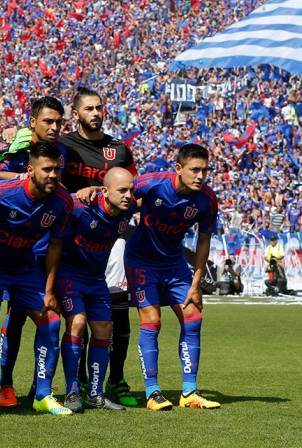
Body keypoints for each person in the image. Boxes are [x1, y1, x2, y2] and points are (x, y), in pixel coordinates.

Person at [0, 141, 74, 418]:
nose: (53, 175)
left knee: (51, 321)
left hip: (24, 266)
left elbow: (55, 248)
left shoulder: (61, 203)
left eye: (57, 170)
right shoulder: (1, 191)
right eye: (47, 169)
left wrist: (49, 290)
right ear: (30, 170)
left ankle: (43, 394)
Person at [125, 143, 221, 411]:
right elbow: (119, 194)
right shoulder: (152, 183)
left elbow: (204, 241)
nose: (201, 176)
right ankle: (152, 391)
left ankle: (189, 391)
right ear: (178, 169)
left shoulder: (207, 199)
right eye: (194, 170)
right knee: (152, 321)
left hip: (175, 264)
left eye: (205, 170)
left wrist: (196, 283)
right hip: (141, 262)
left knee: (193, 317)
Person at [62, 86, 138, 407]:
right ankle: (74, 383)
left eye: (99, 108)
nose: (96, 113)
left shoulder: (118, 150)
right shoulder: (64, 146)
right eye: (89, 109)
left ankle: (115, 380)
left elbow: (131, 188)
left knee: (112, 317)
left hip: (111, 240)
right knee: (74, 320)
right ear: (75, 114)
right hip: (72, 235)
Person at [0, 96, 68, 408]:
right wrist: (20, 172)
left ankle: (41, 387)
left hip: (44, 249)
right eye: (47, 121)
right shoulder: (15, 144)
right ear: (32, 121)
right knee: (15, 320)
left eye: (58, 122)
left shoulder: (61, 150)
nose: (53, 127)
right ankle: (5, 384)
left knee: (48, 317)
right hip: (12, 249)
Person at [58, 168, 136, 413]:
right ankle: (72, 390)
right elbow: (57, 200)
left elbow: (148, 190)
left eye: (131, 190)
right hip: (69, 274)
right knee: (78, 323)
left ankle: (95, 393)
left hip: (96, 279)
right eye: (122, 190)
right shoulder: (81, 207)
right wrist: (84, 189)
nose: (128, 195)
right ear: (104, 191)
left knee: (104, 328)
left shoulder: (128, 208)